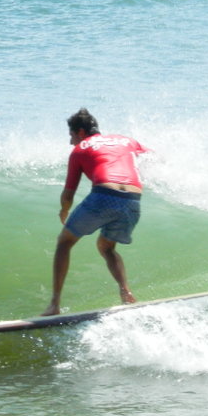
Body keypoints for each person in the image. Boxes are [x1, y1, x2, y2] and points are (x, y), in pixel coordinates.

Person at [41, 108, 149, 316]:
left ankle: (54, 305)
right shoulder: (125, 140)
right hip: (133, 200)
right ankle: (126, 293)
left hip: (104, 195)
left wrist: (64, 211)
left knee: (64, 242)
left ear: (81, 132)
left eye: (71, 136)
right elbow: (153, 158)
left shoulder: (80, 149)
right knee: (106, 247)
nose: (70, 142)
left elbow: (68, 193)